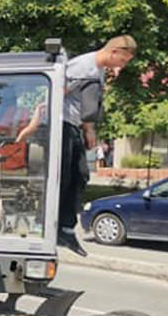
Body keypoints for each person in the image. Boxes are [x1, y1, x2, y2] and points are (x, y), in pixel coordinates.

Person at [58, 35, 136, 257]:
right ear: (115, 52)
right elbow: (57, 90)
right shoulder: (82, 66)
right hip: (61, 123)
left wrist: (88, 130)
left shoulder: (99, 71)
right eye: (124, 60)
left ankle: (65, 228)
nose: (123, 65)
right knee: (63, 176)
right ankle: (55, 225)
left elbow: (87, 104)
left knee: (81, 175)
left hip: (74, 125)